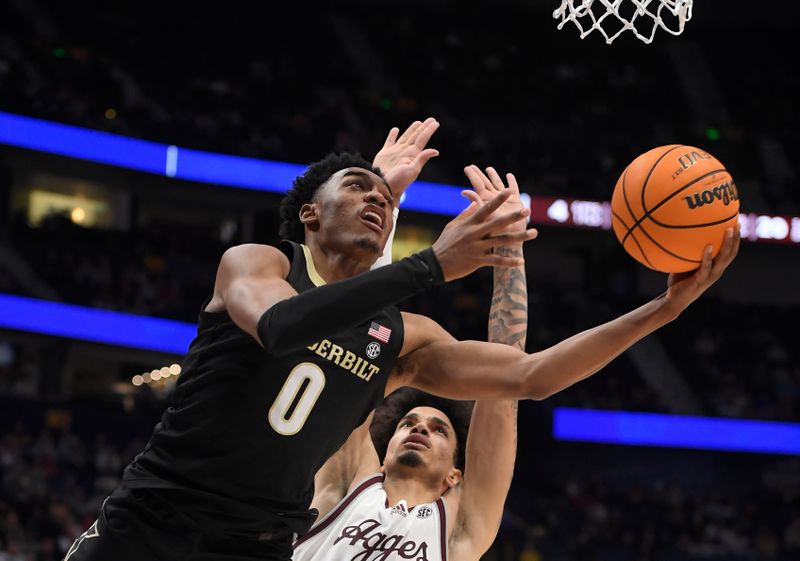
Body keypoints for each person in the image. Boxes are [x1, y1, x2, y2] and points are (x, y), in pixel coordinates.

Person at [65, 115, 740, 560]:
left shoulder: (400, 338)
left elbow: (530, 375)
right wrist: (429, 257)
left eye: (383, 198)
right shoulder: (258, 264)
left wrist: (663, 310)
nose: (375, 199)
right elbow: (281, 326)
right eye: (355, 188)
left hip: (256, 544)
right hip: (153, 522)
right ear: (308, 214)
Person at [293, 165, 529, 561]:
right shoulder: (346, 484)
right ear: (381, 456)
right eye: (409, 423)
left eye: (439, 430)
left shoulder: (459, 530)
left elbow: (503, 388)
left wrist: (510, 256)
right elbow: (355, 325)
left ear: (455, 475)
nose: (420, 427)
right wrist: (387, 199)